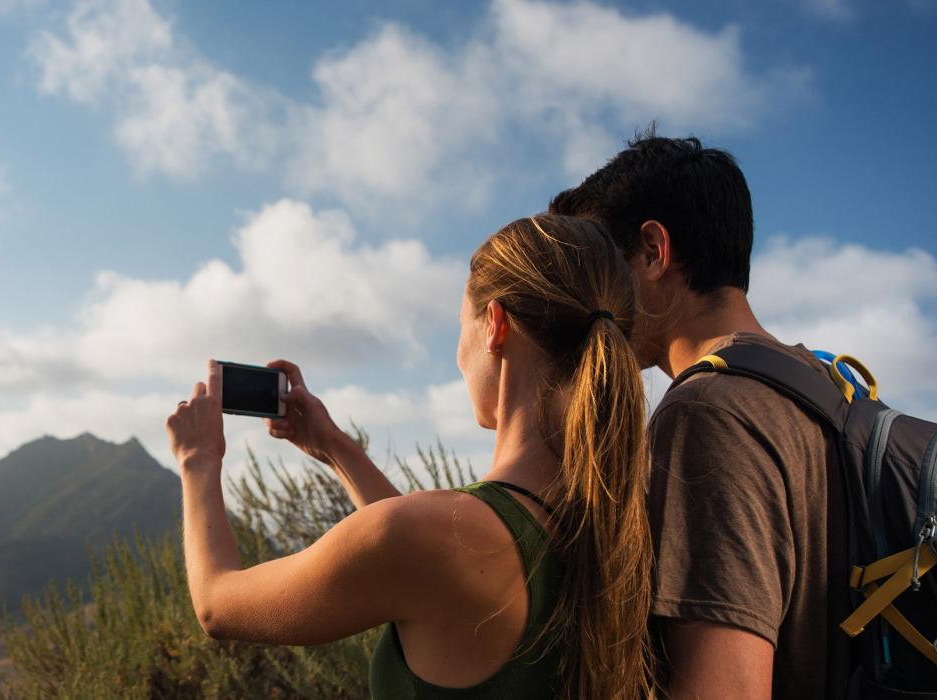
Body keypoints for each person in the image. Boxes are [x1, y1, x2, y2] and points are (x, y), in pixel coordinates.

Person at [165, 214, 653, 699]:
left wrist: (198, 461)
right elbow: (423, 547)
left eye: (462, 325)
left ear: (495, 327)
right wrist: (334, 447)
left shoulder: (438, 538)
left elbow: (218, 603)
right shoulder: (613, 524)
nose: (458, 353)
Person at [549, 133, 849, 699]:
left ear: (652, 252)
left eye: (597, 267)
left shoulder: (707, 411)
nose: (590, 299)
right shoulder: (823, 382)